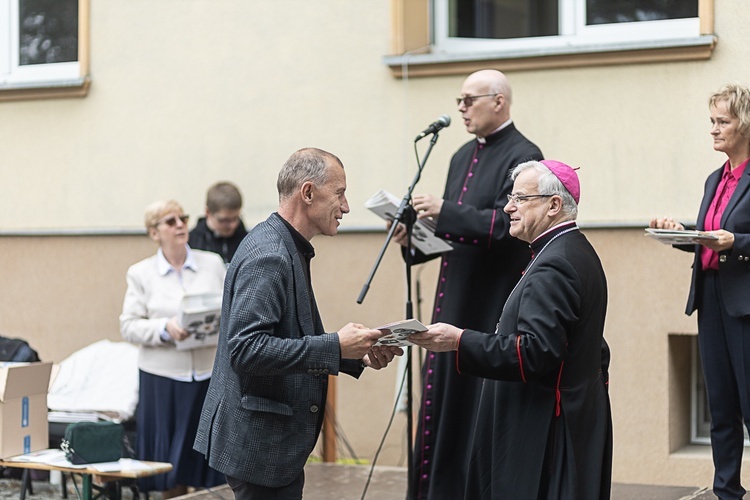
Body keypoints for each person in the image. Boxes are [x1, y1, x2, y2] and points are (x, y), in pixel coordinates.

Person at [194, 147, 403, 499]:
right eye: (340, 193)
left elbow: (288, 338)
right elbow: (246, 350)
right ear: (308, 193)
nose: (347, 206)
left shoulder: (285, 245)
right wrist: (335, 345)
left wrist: (356, 354)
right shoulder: (271, 254)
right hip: (261, 448)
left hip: (266, 447)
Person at [410, 160, 612, 499]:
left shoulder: (555, 263)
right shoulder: (572, 249)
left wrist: (459, 341)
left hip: (544, 431)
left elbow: (533, 353)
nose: (508, 207)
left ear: (553, 205)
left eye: (520, 198)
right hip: (567, 418)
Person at [391, 68, 543, 499]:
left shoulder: (525, 155)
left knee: (471, 407)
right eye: (459, 100)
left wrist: (444, 210)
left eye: (469, 100)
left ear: (499, 101)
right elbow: (449, 236)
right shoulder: (460, 155)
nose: (460, 108)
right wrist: (413, 242)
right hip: (452, 294)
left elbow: (503, 225)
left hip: (487, 304)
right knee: (442, 409)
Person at [650, 83, 750, 500]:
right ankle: (726, 490)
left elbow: (731, 236)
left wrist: (737, 243)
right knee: (721, 404)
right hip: (710, 298)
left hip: (744, 305)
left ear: (745, 124)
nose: (713, 129)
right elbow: (711, 232)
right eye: (711, 121)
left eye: (721, 121)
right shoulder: (715, 178)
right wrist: (681, 233)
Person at [120, 199, 228, 498]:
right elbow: (128, 325)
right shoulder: (140, 273)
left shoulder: (212, 263)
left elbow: (230, 309)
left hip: (208, 374)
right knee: (170, 467)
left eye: (182, 218)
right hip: (162, 379)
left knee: (209, 462)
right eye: (171, 221)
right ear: (154, 233)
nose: (180, 224)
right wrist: (164, 328)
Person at [189, 181, 248, 264]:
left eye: (236, 218)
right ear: (208, 212)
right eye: (225, 220)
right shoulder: (192, 243)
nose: (233, 225)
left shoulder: (248, 240)